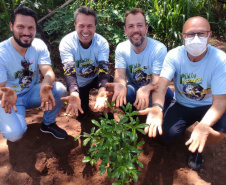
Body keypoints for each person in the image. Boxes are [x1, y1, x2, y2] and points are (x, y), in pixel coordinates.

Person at [139, 16, 226, 171]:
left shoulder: (220, 59)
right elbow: (161, 85)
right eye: (190, 34)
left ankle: (198, 147)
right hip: (182, 103)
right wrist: (157, 107)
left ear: (210, 35)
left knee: (219, 132)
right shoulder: (174, 55)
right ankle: (189, 130)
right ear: (183, 37)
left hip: (208, 106)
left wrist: (204, 125)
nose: (196, 39)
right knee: (166, 136)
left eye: (201, 34)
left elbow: (219, 102)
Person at [0, 6, 68, 141]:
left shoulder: (38, 45)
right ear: (11, 26)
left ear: (35, 29)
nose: (26, 32)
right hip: (11, 98)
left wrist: (46, 84)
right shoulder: (2, 52)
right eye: (20, 26)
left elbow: (48, 71)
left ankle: (48, 124)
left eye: (31, 28)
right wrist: (3, 93)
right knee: (15, 134)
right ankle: (8, 119)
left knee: (59, 89)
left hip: (32, 92)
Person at [107, 8, 173, 111]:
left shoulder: (158, 49)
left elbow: (157, 81)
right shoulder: (121, 48)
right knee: (122, 92)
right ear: (125, 30)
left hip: (155, 90)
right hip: (134, 89)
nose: (135, 30)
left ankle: (157, 112)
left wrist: (146, 88)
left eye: (140, 25)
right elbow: (120, 75)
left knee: (166, 99)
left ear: (146, 28)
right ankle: (132, 118)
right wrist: (121, 85)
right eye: (130, 26)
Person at [59, 6, 111, 118]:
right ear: (75, 26)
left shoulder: (101, 42)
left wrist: (102, 90)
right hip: (79, 81)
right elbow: (69, 70)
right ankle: (83, 103)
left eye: (90, 26)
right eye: (81, 26)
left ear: (95, 27)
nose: (86, 30)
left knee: (111, 83)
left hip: (95, 77)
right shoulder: (67, 42)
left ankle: (107, 112)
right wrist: (73, 92)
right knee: (82, 114)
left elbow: (104, 68)